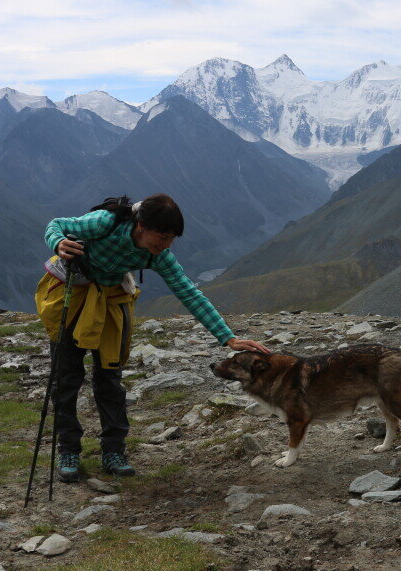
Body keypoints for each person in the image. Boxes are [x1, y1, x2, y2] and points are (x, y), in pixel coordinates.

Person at [36, 193, 269, 482]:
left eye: (171, 239)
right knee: (67, 377)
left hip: (111, 301)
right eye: (162, 236)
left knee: (109, 378)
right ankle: (68, 451)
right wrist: (58, 242)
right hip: (73, 293)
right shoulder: (104, 223)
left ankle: (114, 452)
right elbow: (56, 224)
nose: (166, 245)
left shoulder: (157, 254)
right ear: (141, 225)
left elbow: (188, 292)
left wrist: (229, 339)